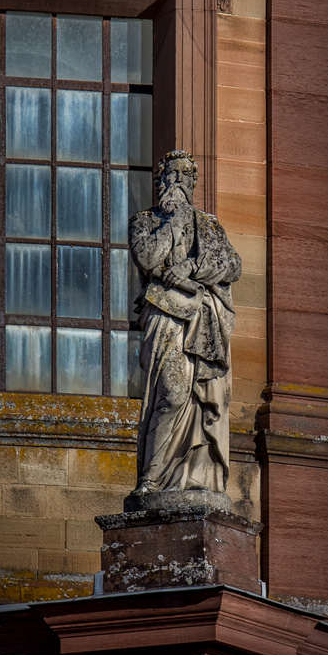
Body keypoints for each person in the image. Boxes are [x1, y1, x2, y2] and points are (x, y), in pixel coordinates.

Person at [129, 151, 241, 496]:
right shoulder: (146, 221)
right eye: (171, 176)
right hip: (166, 319)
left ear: (193, 184)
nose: (178, 183)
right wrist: (174, 222)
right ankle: (152, 478)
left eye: (185, 177)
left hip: (204, 321)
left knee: (203, 400)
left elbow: (233, 264)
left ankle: (195, 477)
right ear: (160, 181)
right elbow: (147, 257)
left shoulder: (208, 225)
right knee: (173, 396)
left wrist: (192, 269)